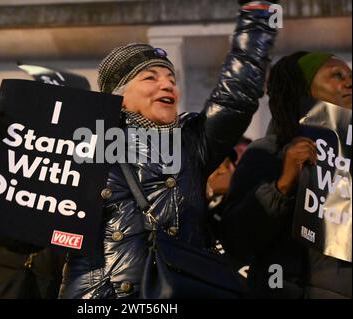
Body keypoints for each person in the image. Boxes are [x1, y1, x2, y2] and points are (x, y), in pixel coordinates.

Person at [54, 1, 277, 299]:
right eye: (151, 78)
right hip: (98, 298)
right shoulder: (81, 142)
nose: (168, 85)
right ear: (116, 96)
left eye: (172, 79)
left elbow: (236, 96)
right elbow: (28, 216)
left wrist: (257, 16)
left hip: (175, 292)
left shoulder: (192, 141)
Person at [221, 51, 352, 298]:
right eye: (337, 75)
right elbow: (236, 239)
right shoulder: (268, 151)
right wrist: (282, 185)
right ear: (302, 87)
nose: (349, 81)